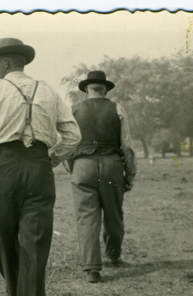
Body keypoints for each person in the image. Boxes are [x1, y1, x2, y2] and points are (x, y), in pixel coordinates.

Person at [0, 38, 81, 296]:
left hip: (3, 169)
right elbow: (73, 135)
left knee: (7, 242)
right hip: (39, 169)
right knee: (33, 246)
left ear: (6, 63)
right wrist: (49, 159)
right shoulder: (47, 89)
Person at [65, 70, 137, 283]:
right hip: (112, 165)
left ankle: (92, 269)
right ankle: (113, 255)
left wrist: (74, 167)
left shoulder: (73, 110)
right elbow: (128, 147)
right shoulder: (117, 108)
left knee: (86, 218)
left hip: (82, 166)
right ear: (105, 88)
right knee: (114, 214)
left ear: (86, 88)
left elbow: (66, 145)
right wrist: (130, 174)